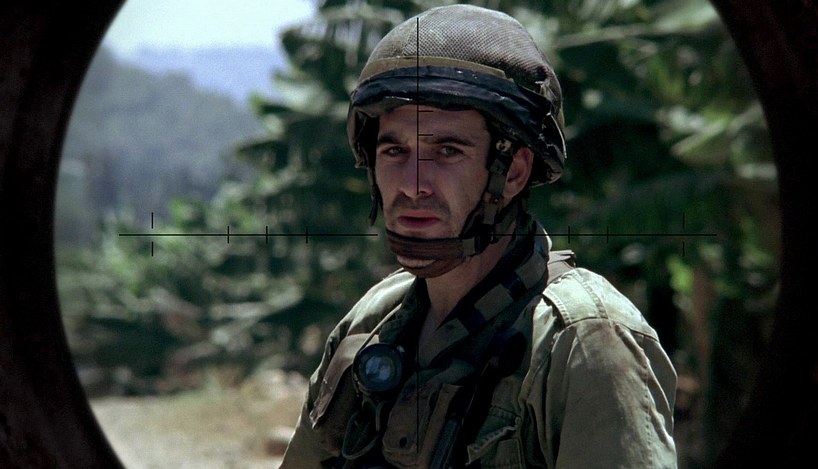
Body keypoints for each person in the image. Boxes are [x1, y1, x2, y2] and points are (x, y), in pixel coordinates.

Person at [280, 4, 677, 468]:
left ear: (513, 172)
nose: (411, 184)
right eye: (394, 151)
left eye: (447, 151)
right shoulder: (374, 319)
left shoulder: (585, 341)